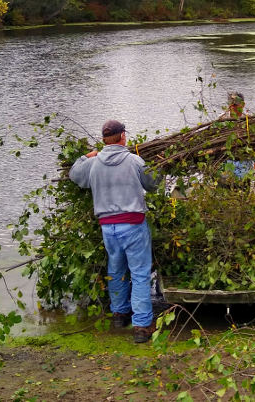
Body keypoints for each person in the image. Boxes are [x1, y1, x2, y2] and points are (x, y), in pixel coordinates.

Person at [69, 120, 162, 343]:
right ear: (122, 137)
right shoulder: (134, 161)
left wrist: (86, 157)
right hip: (133, 224)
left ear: (104, 140)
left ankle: (120, 314)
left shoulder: (94, 164)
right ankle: (141, 325)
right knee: (139, 274)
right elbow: (153, 183)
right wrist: (161, 166)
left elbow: (74, 174)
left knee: (116, 269)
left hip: (107, 227)